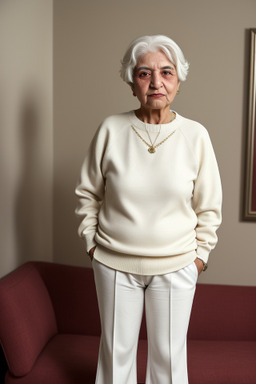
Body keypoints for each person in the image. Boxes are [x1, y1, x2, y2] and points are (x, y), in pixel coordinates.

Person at [75, 34, 222, 384]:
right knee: (115, 358)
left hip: (177, 265)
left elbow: (209, 207)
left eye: (166, 72)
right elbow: (87, 193)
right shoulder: (111, 129)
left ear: (179, 81)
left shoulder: (196, 136)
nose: (156, 82)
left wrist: (199, 256)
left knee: (169, 362)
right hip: (112, 263)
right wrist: (92, 245)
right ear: (132, 82)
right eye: (144, 73)